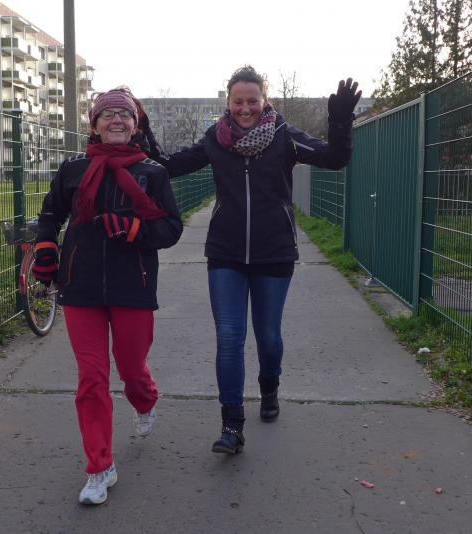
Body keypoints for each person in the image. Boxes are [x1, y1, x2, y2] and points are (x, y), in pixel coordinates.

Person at [145, 66, 360, 455]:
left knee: (268, 336)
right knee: (229, 337)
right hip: (225, 252)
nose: (245, 108)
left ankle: (269, 385)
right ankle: (232, 425)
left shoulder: (284, 137)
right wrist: (142, 129)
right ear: (228, 102)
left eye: (253, 101)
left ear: (265, 100)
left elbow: (334, 158)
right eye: (238, 101)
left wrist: (341, 122)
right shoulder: (215, 139)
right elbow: (169, 165)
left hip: (274, 252)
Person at [33, 88, 183, 504]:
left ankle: (145, 400)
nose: (117, 120)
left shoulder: (152, 172)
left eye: (125, 115)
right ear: (95, 124)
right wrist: (45, 248)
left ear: (135, 125)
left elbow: (171, 228)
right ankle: (100, 467)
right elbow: (51, 213)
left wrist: (135, 229)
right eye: (108, 115)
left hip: (133, 284)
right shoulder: (73, 169)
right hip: (80, 285)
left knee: (131, 369)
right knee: (92, 379)